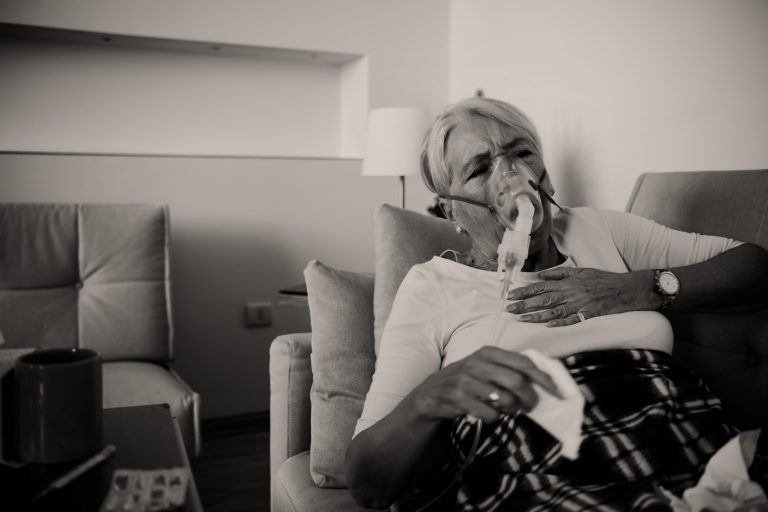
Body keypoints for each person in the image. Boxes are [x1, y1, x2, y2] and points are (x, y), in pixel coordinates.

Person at [345, 97, 768, 511]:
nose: (511, 176)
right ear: (452, 210)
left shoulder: (599, 229)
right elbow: (368, 483)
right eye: (479, 169)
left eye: (521, 153)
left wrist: (637, 288)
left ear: (546, 179)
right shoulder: (433, 286)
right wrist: (430, 397)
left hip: (677, 435)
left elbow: (754, 265)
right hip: (535, 465)